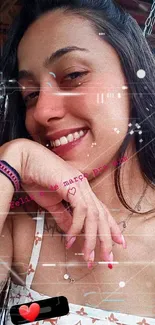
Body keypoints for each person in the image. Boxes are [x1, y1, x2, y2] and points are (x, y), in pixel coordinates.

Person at [0, 0, 155, 323]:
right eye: (30, 94)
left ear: (132, 75)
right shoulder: (22, 223)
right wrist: (13, 158)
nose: (43, 112)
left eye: (73, 75)